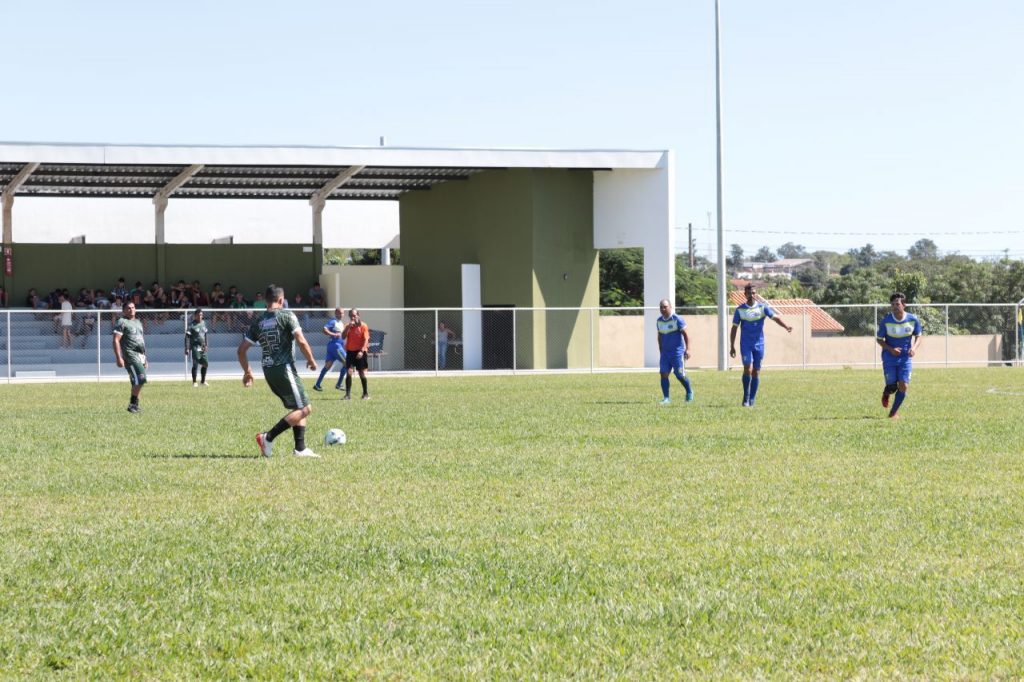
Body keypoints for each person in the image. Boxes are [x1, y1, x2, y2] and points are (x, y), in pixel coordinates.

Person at [237, 284, 320, 458]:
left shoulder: (258, 321)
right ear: (281, 300)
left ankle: (300, 448)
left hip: (268, 370)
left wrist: (248, 372)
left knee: (298, 407)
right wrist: (311, 360)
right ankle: (268, 437)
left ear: (266, 301)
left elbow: (241, 350)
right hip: (284, 368)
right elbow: (301, 341)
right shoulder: (287, 315)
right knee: (306, 408)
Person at [729, 283, 792, 407]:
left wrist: (786, 326)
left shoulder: (763, 308)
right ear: (745, 294)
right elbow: (734, 328)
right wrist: (732, 346)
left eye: (753, 292)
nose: (751, 295)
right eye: (749, 293)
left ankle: (752, 399)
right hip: (746, 344)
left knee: (756, 371)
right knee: (748, 368)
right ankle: (745, 398)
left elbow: (775, 318)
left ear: (755, 293)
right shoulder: (740, 310)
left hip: (759, 344)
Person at [876, 292, 922, 419]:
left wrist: (914, 348)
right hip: (889, 357)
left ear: (904, 305)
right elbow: (879, 339)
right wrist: (890, 349)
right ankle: (886, 392)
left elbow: (919, 336)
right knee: (892, 387)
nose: (895, 306)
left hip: (905, 358)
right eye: (892, 304)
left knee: (903, 385)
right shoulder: (886, 321)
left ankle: (893, 413)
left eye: (897, 304)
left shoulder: (913, 320)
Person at [112, 301, 148, 413]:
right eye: (128, 308)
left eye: (133, 307)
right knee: (141, 378)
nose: (131, 309)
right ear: (124, 311)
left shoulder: (138, 322)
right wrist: (119, 357)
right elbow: (116, 340)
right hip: (130, 354)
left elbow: (141, 340)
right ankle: (132, 404)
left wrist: (145, 357)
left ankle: (135, 406)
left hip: (140, 355)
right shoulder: (122, 322)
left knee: (136, 382)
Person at [655, 299, 693, 404]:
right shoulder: (659, 321)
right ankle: (666, 398)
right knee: (663, 374)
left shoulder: (677, 319)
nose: (663, 309)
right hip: (665, 353)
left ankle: (689, 391)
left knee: (679, 375)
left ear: (670, 307)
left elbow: (686, 335)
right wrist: (660, 349)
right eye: (661, 307)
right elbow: (660, 335)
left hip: (677, 353)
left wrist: (688, 349)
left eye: (665, 307)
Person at [313, 307, 347, 392]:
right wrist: (334, 334)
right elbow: (324, 329)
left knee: (328, 365)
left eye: (342, 313)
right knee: (348, 362)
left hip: (333, 346)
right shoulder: (333, 321)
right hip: (336, 346)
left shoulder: (340, 323)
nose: (341, 315)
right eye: (339, 313)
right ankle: (339, 384)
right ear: (336, 313)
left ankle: (317, 385)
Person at [341, 307, 370, 400]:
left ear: (358, 315)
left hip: (360, 351)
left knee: (361, 372)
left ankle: (365, 394)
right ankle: (347, 395)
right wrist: (348, 327)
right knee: (349, 372)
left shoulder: (363, 326)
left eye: (354, 315)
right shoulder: (348, 326)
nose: (353, 318)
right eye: (351, 316)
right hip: (350, 352)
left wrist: (361, 351)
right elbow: (342, 337)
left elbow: (366, 340)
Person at [185, 308, 210, 387]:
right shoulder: (191, 325)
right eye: (198, 315)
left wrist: (206, 344)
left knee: (205, 364)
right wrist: (187, 348)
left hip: (202, 347)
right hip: (195, 346)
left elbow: (205, 334)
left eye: (201, 315)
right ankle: (194, 382)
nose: (200, 316)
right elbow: (187, 337)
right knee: (195, 364)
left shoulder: (203, 323)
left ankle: (202, 381)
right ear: (195, 316)